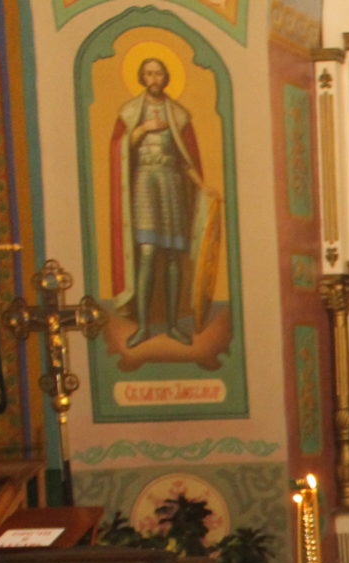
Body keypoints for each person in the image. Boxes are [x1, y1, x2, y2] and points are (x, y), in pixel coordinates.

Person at [110, 56, 207, 348]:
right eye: (149, 74)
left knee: (173, 255)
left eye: (159, 74)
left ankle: (173, 325)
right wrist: (143, 129)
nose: (154, 79)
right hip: (144, 183)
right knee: (148, 251)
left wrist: (204, 187)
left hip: (171, 184)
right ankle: (142, 326)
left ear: (166, 78)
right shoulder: (129, 112)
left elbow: (187, 158)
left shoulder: (178, 114)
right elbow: (118, 150)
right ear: (142, 78)